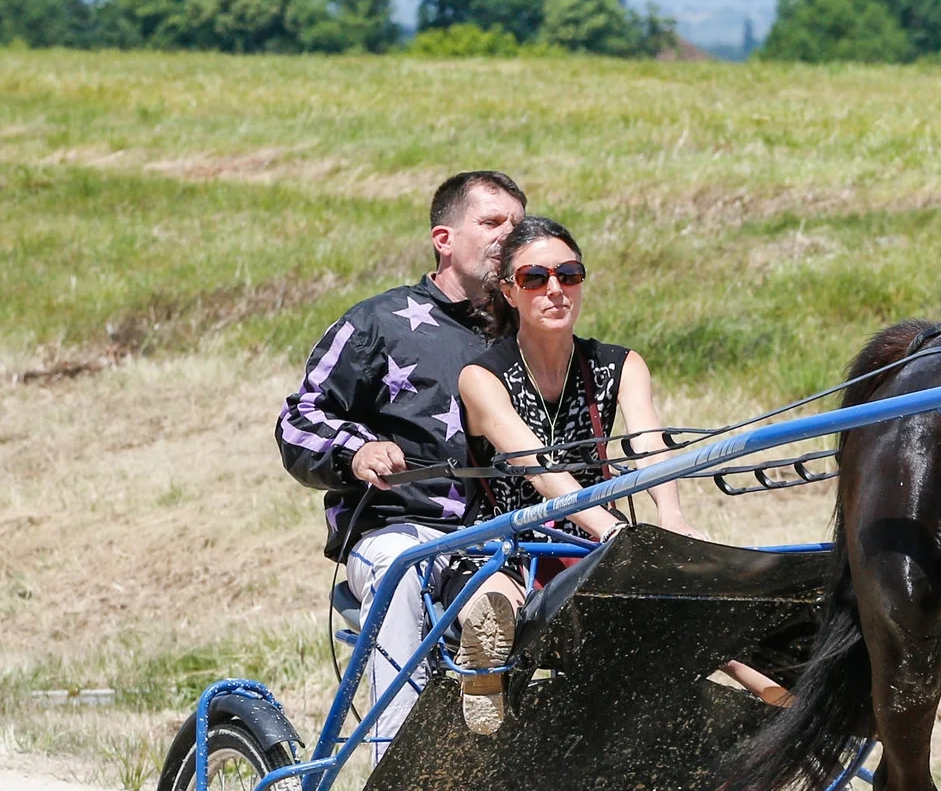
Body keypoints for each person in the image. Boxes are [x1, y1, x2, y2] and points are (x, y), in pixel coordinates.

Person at [454, 214, 786, 733]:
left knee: (675, 577)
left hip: (597, 540)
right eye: (534, 279)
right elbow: (540, 466)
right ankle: (489, 664)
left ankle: (772, 687)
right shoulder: (481, 376)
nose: (555, 290)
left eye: (569, 274)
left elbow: (651, 448)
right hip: (514, 539)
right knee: (531, 589)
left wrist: (670, 520)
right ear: (509, 291)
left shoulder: (620, 365)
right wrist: (612, 533)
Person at [275, 170, 525, 751]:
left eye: (516, 225)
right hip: (397, 533)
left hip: (505, 537)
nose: (507, 237)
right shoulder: (378, 322)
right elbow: (298, 422)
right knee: (404, 567)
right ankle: (399, 760)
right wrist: (355, 450)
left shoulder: (534, 327)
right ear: (444, 238)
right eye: (491, 223)